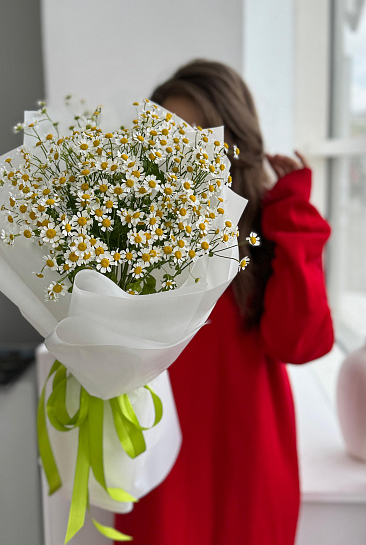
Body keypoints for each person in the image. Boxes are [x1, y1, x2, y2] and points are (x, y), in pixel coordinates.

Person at [114, 59, 334, 545]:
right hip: (158, 464)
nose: (187, 151)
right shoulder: (130, 231)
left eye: (201, 133)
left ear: (232, 139)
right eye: (171, 135)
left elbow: (300, 343)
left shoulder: (266, 226)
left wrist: (293, 214)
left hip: (247, 466)